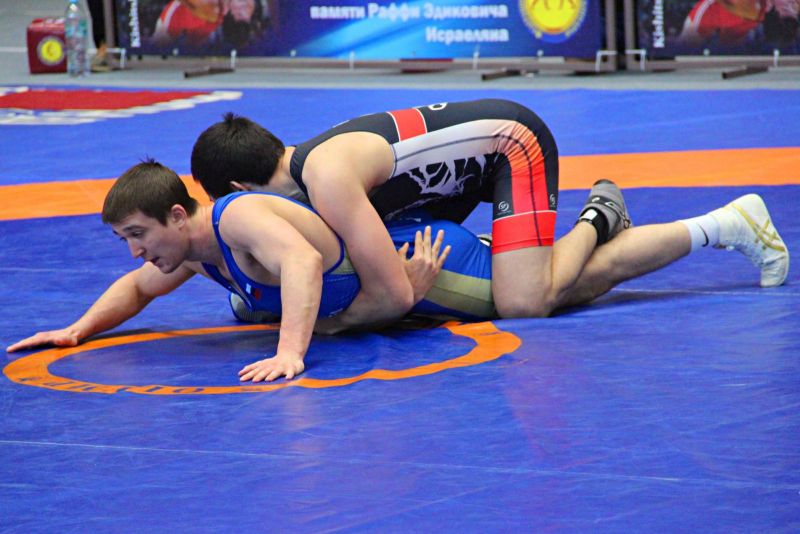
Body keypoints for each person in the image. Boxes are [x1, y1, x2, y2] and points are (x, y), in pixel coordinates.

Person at [6, 161, 790, 382]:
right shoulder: (191, 251)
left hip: (429, 264)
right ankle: (608, 218)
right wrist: (78, 329)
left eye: (139, 235)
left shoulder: (235, 221)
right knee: (559, 285)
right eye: (125, 240)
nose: (136, 253)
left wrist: (292, 351)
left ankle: (712, 224)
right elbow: (136, 290)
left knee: (558, 291)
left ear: (179, 215)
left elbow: (302, 262)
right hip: (395, 277)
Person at [191, 99, 636, 335]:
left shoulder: (326, 179)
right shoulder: (303, 183)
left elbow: (393, 295)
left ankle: (598, 218)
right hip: (452, 182)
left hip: (510, 147)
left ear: (238, 193)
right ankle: (513, 254)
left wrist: (329, 326)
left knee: (524, 302)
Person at [152, 0, 258, 49]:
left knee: (158, 49)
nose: (246, 4)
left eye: (240, 11)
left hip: (175, 19)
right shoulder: (249, 6)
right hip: (204, 21)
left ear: (229, 12)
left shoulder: (210, 5)